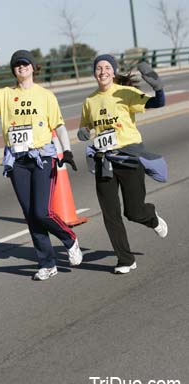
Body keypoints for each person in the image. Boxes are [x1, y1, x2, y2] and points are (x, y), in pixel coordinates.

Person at [0, 49, 82, 280]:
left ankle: (69, 239)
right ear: (14, 70)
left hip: (42, 158)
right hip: (17, 161)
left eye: (25, 64)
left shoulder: (45, 95)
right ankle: (47, 264)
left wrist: (67, 150)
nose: (21, 67)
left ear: (33, 67)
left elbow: (58, 125)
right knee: (31, 215)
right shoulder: (5, 95)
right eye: (17, 65)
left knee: (42, 211)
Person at [77, 54, 168, 274]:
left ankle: (151, 217)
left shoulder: (125, 93)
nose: (103, 71)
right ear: (94, 72)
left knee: (134, 212)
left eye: (107, 67)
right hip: (104, 160)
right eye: (99, 68)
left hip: (128, 157)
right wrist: (83, 132)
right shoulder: (90, 101)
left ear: (114, 71)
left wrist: (158, 88)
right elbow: (84, 130)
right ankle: (125, 260)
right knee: (110, 214)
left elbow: (157, 103)